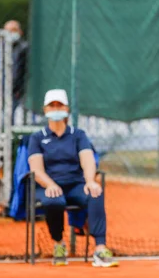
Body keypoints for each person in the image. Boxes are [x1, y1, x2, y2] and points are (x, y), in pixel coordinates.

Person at [27, 89, 118, 267]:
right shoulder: (37, 138)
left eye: (59, 105)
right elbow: (36, 170)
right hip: (48, 186)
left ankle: (100, 249)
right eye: (51, 106)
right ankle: (59, 243)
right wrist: (50, 185)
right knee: (54, 201)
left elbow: (88, 160)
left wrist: (90, 181)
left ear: (66, 109)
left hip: (76, 185)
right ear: (45, 110)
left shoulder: (78, 135)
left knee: (95, 194)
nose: (55, 109)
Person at [3, 20, 29, 125]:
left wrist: (17, 88)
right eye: (7, 31)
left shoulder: (24, 48)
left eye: (13, 30)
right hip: (7, 90)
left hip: (19, 91)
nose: (10, 33)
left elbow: (20, 71)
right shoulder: (4, 48)